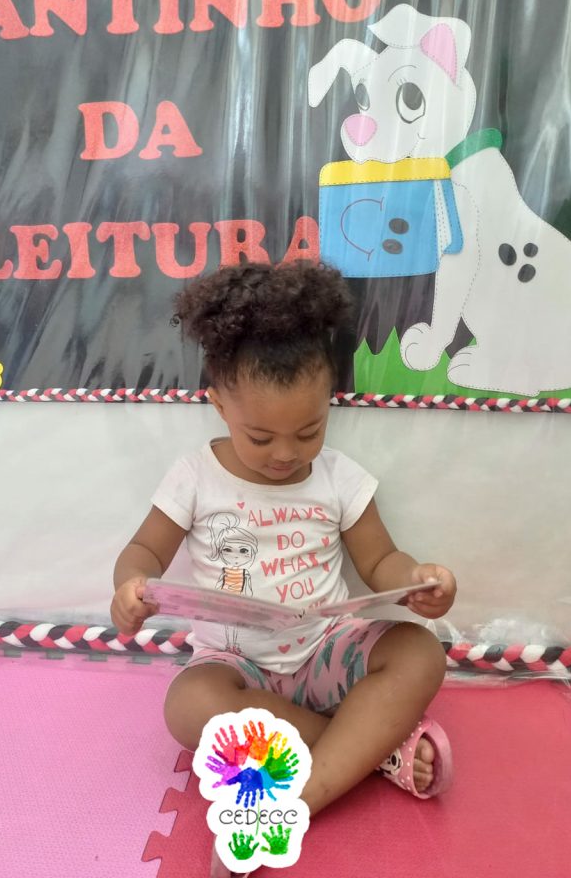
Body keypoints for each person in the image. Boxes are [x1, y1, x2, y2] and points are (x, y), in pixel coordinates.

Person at [111, 261, 457, 825]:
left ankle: (305, 794)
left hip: (326, 652)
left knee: (419, 652)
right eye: (260, 437)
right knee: (188, 707)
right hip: (237, 665)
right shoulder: (195, 476)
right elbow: (144, 550)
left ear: (328, 404)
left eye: (309, 431)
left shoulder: (339, 478)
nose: (285, 454)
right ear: (219, 405)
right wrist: (129, 587)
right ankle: (375, 751)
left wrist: (416, 582)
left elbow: (380, 560)